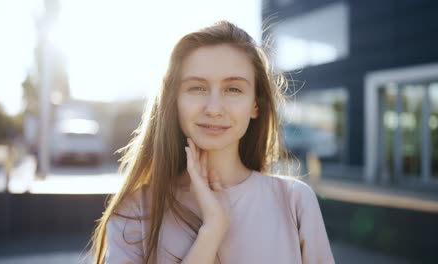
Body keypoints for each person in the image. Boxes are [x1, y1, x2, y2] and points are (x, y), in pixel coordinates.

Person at [90, 20, 334, 264]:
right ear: (174, 102)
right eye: (197, 88)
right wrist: (212, 231)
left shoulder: (295, 201)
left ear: (255, 105)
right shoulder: (137, 211)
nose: (214, 109)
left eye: (233, 89)